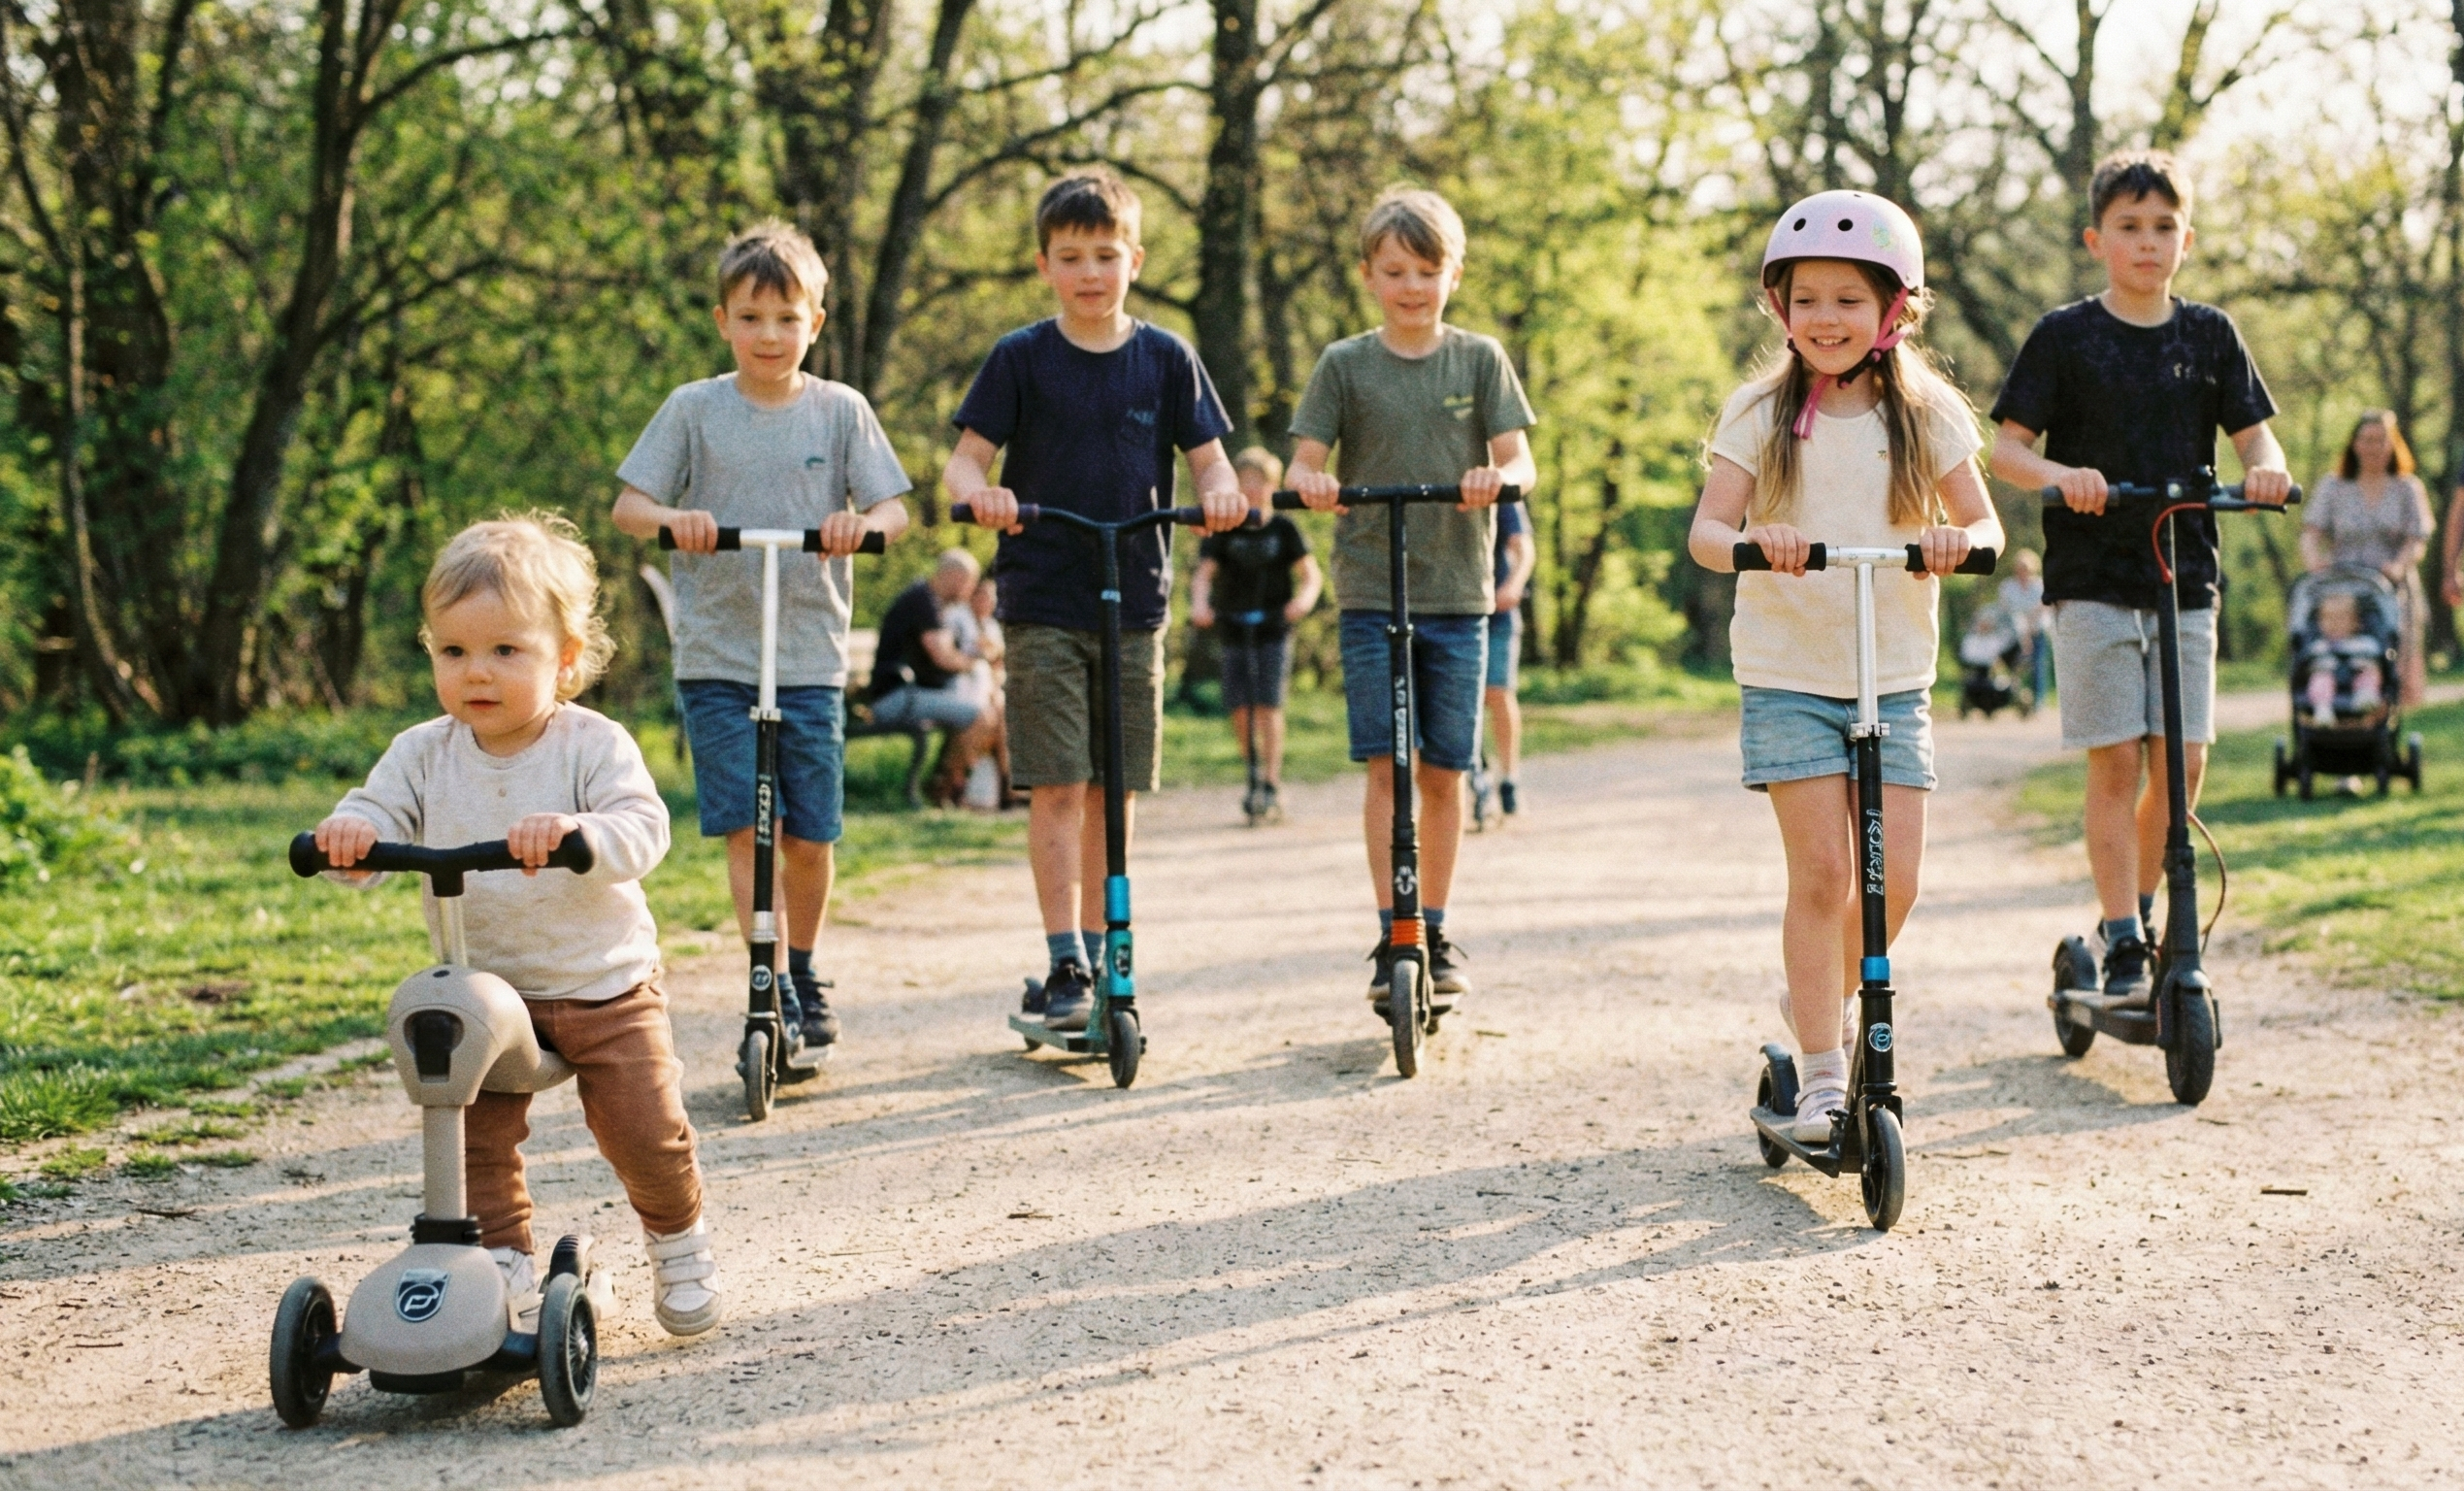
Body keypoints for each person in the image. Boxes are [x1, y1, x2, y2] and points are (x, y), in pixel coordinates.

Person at [313, 515, 725, 1338]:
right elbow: (373, 811)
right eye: (454, 651)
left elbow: (644, 827)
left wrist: (580, 835)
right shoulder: (423, 752)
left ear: (565, 659)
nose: (477, 673)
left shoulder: (590, 745)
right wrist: (351, 837)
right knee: (467, 1129)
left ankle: (678, 1242)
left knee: (646, 1131)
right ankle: (496, 1259)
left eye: (507, 651)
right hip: (488, 989)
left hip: (600, 983)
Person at [1688, 190, 2004, 1144]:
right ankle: (1823, 1078)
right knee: (1824, 871)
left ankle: (1809, 999)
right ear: (1779, 309)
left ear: (1892, 311)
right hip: (1789, 670)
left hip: (1892, 673)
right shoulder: (1759, 410)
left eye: (1847, 300)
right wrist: (1756, 540)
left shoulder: (1927, 412)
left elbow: (1985, 523)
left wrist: (1959, 542)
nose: (1825, 319)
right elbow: (1706, 532)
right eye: (1807, 299)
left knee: (1890, 882)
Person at [1988, 149, 2292, 1002]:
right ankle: (2121, 936)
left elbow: (2255, 437)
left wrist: (2265, 469)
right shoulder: (2065, 337)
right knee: (2116, 759)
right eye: (2128, 227)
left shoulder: (2209, 336)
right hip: (2091, 576)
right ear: (2097, 239)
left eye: (2163, 228)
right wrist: (2061, 478)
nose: (2147, 243)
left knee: (2183, 762)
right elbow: (2005, 449)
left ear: (2185, 239)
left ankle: (2148, 907)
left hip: (2183, 571)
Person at [949, 169, 1246, 1031]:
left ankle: (1106, 940)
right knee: (1057, 784)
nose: (1089, 272)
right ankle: (1063, 962)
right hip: (1043, 596)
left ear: (1134, 260)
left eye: (1106, 255)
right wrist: (983, 492)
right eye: (1071, 256)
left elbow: (1210, 460)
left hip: (1135, 600)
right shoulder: (1020, 358)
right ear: (1045, 264)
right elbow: (963, 461)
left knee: (1113, 789)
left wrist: (1221, 492)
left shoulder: (1165, 358)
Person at [610, 221, 913, 1056]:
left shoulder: (841, 411)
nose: (769, 336)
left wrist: (862, 524)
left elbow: (895, 508)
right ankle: (763, 970)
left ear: (816, 322)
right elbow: (630, 507)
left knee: (810, 833)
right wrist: (677, 519)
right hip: (719, 656)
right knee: (747, 825)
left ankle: (804, 965)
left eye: (787, 318)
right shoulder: (694, 410)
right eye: (751, 318)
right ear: (723, 323)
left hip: (808, 657)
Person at [1290, 185, 1540, 1013]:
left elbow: (1519, 462)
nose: (1411, 287)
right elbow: (1301, 465)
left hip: (1456, 594)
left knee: (1443, 768)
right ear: (1368, 275)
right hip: (1371, 591)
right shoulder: (1343, 365)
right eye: (1394, 271)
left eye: (1426, 272)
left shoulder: (1477, 359)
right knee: (1384, 763)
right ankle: (1392, 925)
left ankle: (1433, 925)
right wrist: (1315, 484)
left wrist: (1493, 480)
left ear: (1452, 275)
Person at [1189, 446, 1324, 817]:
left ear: (1271, 485)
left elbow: (1311, 575)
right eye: (1244, 481)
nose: (1251, 489)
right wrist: (1200, 605)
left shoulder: (1284, 529)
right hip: (1233, 623)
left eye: (1258, 482)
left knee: (1269, 704)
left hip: (1273, 625)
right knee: (1240, 706)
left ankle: (1270, 780)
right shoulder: (1224, 528)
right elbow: (1203, 576)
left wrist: (1302, 602)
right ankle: (1251, 768)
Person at [2301, 411, 2433, 709]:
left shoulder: (2407, 487)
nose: (2373, 447)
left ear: (2392, 445)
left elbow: (2418, 538)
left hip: (2392, 588)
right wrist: (2313, 561)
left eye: (2380, 440)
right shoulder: (2333, 486)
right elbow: (2310, 533)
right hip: (2344, 591)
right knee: (2340, 658)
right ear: (2354, 444)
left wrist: (2399, 565)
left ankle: (2384, 731)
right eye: (2366, 439)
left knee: (2391, 667)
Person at [869, 549, 1002, 805]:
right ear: (954, 576)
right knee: (980, 715)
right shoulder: (922, 601)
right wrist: (979, 661)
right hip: (896, 696)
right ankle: (945, 788)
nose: (969, 591)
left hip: (911, 692)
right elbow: (944, 657)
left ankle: (947, 786)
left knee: (988, 711)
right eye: (969, 582)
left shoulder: (927, 599)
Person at [1482, 493, 1537, 815]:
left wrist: (1513, 585)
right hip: (1459, 612)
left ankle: (1509, 777)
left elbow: (1523, 548)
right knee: (1464, 700)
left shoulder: (1501, 496)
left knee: (1498, 692)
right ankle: (1478, 774)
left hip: (1499, 612)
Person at [2298, 591, 2384, 726]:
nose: (2334, 624)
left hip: (2358, 677)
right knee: (2319, 679)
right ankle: (2322, 709)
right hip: (2328, 680)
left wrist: (2367, 665)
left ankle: (2365, 695)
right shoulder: (2319, 646)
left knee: (2370, 673)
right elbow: (2309, 664)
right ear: (2319, 623)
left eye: (2341, 619)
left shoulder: (2365, 643)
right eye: (2328, 619)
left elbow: (2376, 660)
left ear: (2356, 622)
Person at [1998, 548, 2051, 704]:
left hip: (2036, 630)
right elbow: (2005, 609)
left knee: (2037, 666)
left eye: (2026, 568)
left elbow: (2043, 607)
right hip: (2014, 632)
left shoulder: (2040, 585)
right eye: (2020, 568)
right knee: (2013, 666)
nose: (2023, 572)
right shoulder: (2008, 586)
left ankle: (2038, 701)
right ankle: (2012, 698)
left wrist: (2028, 625)